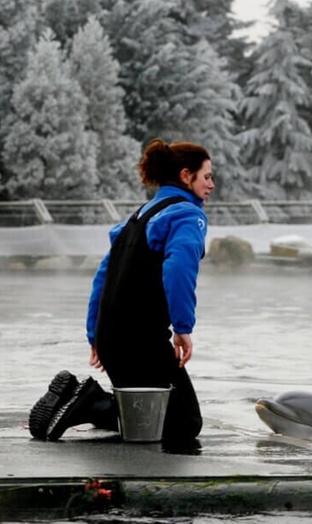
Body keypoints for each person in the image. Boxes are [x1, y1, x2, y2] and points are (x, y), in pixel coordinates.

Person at [28, 138, 214, 442]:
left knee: (150, 415)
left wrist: (95, 336)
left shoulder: (138, 217)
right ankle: (90, 402)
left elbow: (102, 279)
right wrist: (183, 327)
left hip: (113, 338)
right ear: (185, 176)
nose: (211, 184)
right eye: (207, 176)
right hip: (141, 340)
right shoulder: (186, 215)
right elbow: (179, 269)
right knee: (184, 423)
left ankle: (85, 402)